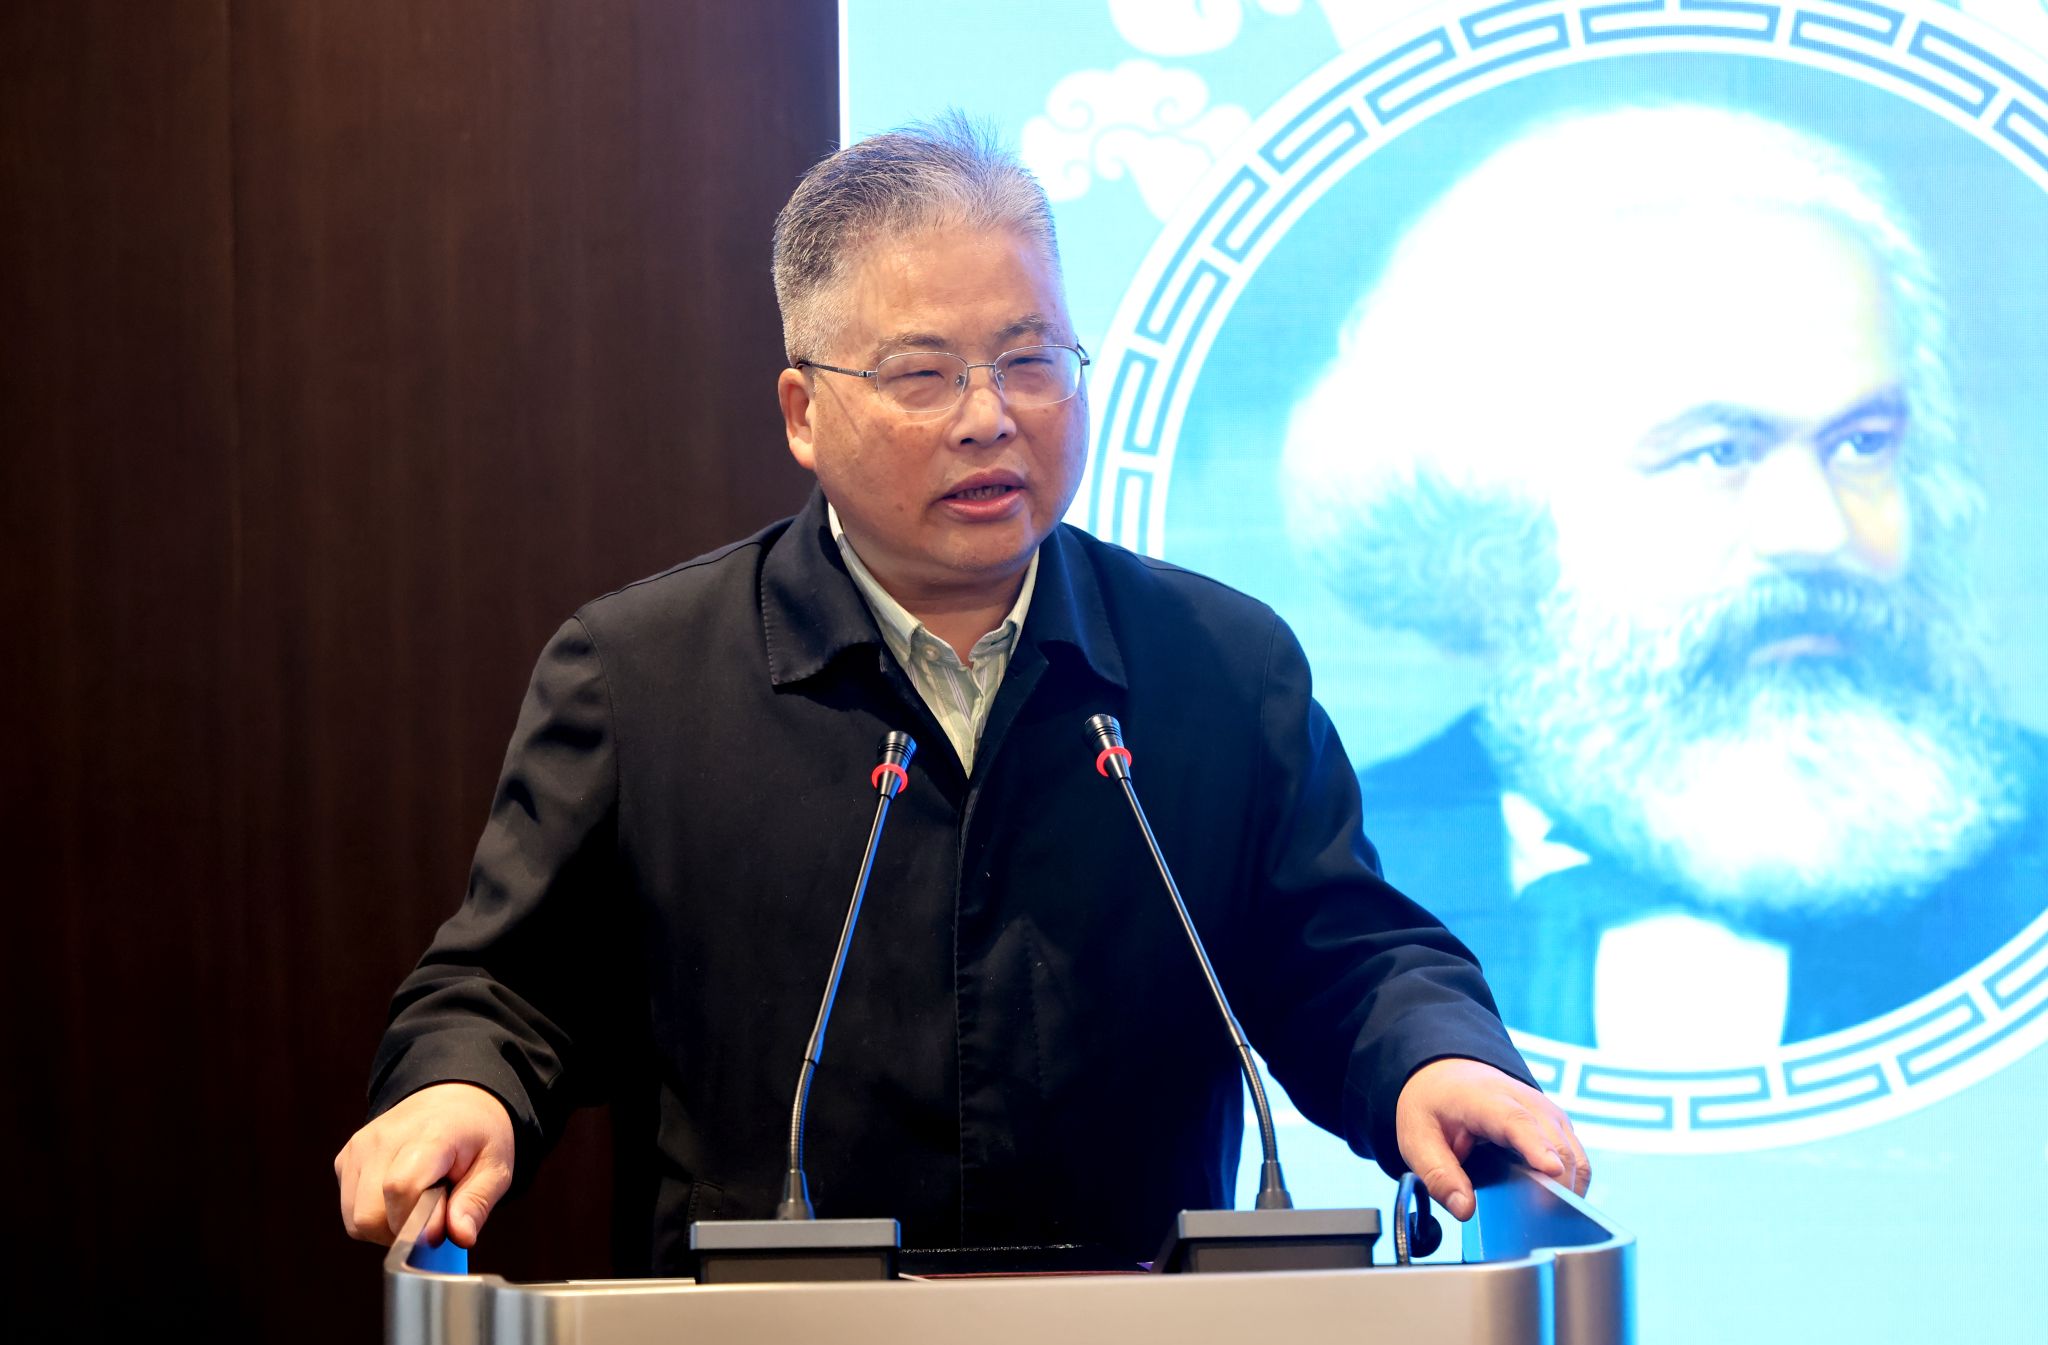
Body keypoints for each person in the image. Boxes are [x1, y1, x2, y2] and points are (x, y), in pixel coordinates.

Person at [336, 115, 1587, 1270]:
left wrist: (1432, 1056)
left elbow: (1343, 954)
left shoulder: (1218, 662)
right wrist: (457, 1086)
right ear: (803, 412)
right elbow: (506, 986)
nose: (990, 418)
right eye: (922, 375)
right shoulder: (642, 676)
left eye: (1029, 359)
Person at [1282, 105, 2047, 1059]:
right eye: (1716, 452)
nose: (1818, 531)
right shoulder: (1337, 872)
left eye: (1861, 444)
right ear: (1498, 511)